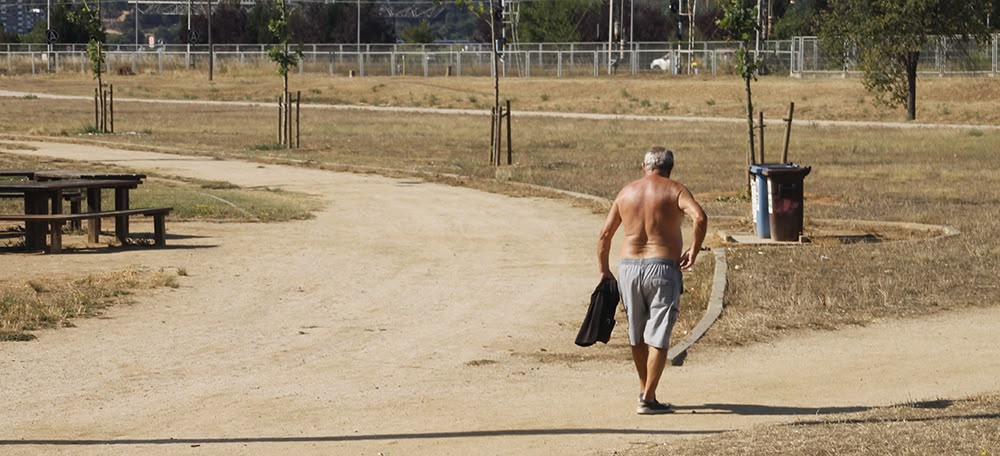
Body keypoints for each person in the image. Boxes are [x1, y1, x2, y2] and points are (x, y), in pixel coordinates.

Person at [597, 146, 707, 415]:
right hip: (662, 267)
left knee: (637, 333)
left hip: (629, 268)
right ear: (670, 167)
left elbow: (605, 235)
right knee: (658, 332)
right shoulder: (675, 190)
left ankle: (646, 390)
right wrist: (694, 249)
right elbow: (700, 217)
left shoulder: (626, 192)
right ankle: (648, 397)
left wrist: (604, 270)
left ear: (643, 166)